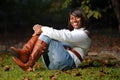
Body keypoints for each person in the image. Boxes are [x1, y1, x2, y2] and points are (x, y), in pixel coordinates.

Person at [10, 7, 91, 71]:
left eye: (77, 18)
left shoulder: (84, 35)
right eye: (72, 18)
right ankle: (25, 53)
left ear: (82, 18)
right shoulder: (71, 32)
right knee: (46, 33)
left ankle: (28, 63)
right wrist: (39, 28)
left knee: (46, 35)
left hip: (69, 63)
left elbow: (63, 35)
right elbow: (58, 33)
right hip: (51, 64)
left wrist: (42, 28)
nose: (74, 20)